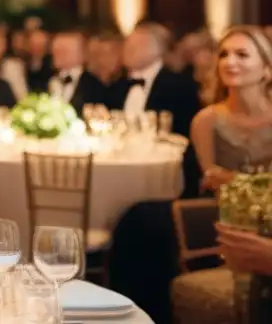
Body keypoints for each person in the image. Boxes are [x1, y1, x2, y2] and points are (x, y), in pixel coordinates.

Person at [108, 26, 272, 324]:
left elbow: (229, 181)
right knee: (137, 220)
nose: (229, 61)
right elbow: (211, 184)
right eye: (223, 54)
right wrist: (241, 184)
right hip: (218, 212)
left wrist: (234, 180)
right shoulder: (207, 120)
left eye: (242, 54)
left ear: (266, 69)